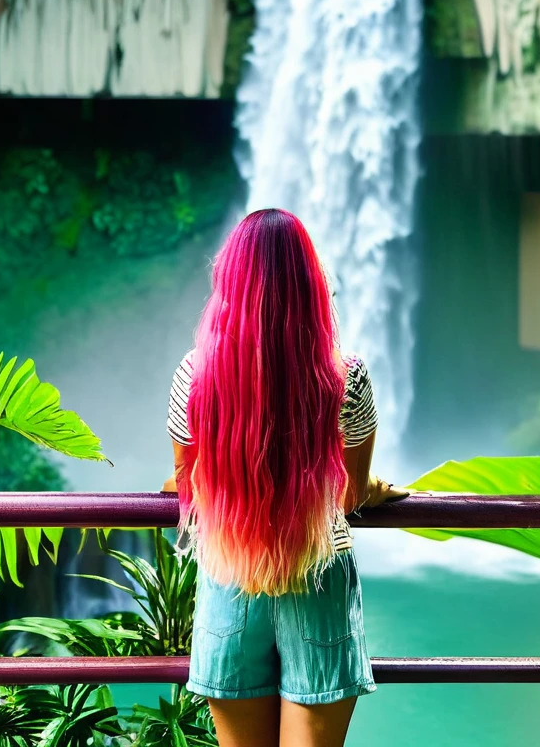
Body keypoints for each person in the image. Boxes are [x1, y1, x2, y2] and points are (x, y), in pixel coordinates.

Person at [163, 208, 409, 747]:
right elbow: (346, 496)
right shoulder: (347, 376)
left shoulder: (195, 375)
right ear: (311, 285)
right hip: (316, 574)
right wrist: (376, 489)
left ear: (228, 284)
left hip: (231, 573)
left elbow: (189, 482)